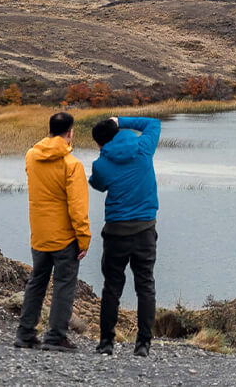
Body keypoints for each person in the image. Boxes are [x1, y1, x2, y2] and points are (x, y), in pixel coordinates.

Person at [15, 112, 90, 352]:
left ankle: (25, 334)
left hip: (39, 233)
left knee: (36, 282)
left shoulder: (31, 156)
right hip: (64, 237)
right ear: (70, 132)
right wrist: (84, 238)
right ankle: (55, 336)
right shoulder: (72, 165)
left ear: (49, 130)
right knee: (64, 285)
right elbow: (78, 209)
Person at [89, 116, 161, 357]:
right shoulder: (142, 148)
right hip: (145, 230)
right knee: (145, 286)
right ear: (118, 130)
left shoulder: (101, 164)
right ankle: (143, 344)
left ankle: (106, 342)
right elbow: (153, 124)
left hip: (116, 232)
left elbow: (98, 185)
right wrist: (120, 120)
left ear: (100, 143)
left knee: (112, 288)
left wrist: (102, 159)